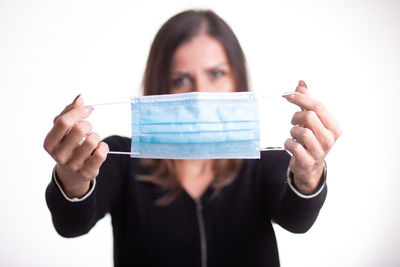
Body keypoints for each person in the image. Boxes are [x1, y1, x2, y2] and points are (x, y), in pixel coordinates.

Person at [44, 9, 342, 267]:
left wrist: (308, 174)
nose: (200, 95)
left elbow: (297, 219)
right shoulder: (120, 157)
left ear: (237, 78)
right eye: (180, 79)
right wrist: (73, 179)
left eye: (216, 73)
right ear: (159, 86)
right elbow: (71, 224)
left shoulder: (263, 159)